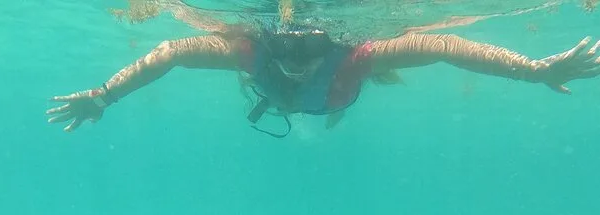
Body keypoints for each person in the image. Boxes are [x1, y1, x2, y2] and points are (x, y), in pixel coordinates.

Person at [46, 22, 600, 137]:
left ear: (330, 42)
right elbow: (171, 52)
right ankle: (290, 107)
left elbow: (442, 46)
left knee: (345, 93)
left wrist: (533, 70)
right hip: (287, 96)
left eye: (310, 47)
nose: (295, 56)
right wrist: (104, 95)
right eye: (285, 47)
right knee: (272, 90)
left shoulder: (355, 58)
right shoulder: (250, 53)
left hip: (337, 96)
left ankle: (315, 111)